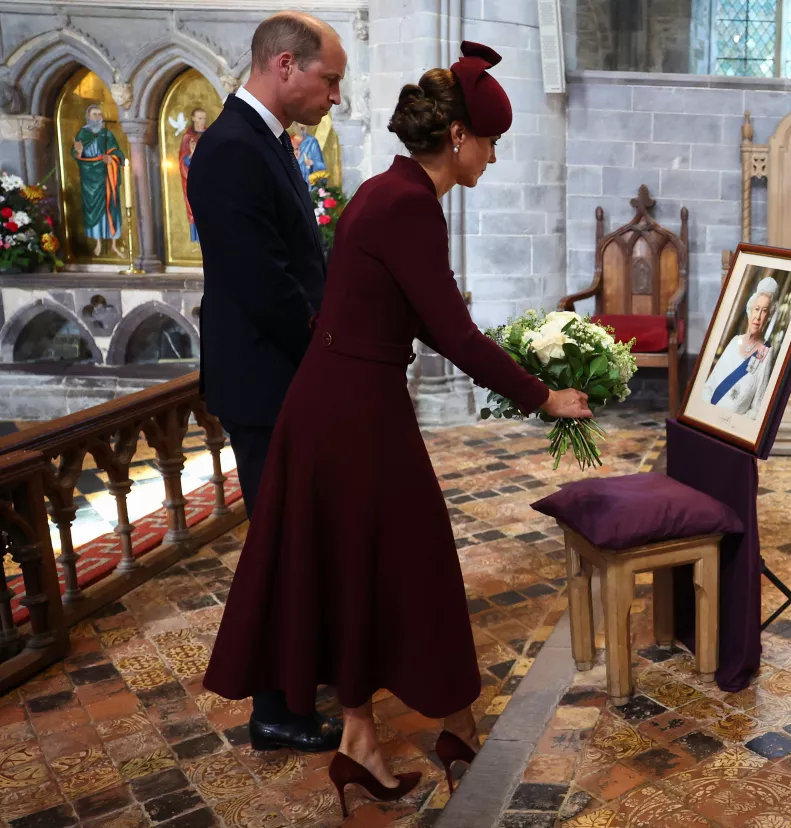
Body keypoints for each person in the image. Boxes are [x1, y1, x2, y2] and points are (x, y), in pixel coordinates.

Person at [201, 41, 591, 816]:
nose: (493, 158)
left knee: (361, 565)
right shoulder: (408, 205)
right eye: (490, 143)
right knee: (421, 564)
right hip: (354, 411)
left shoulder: (388, 191)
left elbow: (417, 316)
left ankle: (361, 742)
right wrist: (542, 395)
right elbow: (452, 331)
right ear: (458, 137)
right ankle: (457, 731)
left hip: (344, 401)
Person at [188, 11, 347, 754]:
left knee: (300, 538)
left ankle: (301, 675)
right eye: (329, 79)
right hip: (266, 383)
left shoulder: (266, 140)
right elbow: (266, 286)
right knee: (280, 546)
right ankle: (276, 708)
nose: (334, 96)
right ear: (285, 65)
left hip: (282, 378)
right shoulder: (229, 148)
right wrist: (332, 354)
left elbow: (297, 263)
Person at [702, 275, 779, 419]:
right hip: (709, 415)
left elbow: (757, 409)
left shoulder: (766, 353)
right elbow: (709, 386)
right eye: (756, 309)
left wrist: (734, 424)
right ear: (750, 311)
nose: (758, 316)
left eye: (764, 311)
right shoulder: (735, 342)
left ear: (769, 316)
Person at [72, 104, 125, 258]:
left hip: (107, 177)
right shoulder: (82, 134)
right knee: (94, 210)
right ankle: (98, 243)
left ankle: (114, 244)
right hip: (90, 179)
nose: (98, 117)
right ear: (88, 117)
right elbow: (76, 154)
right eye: (94, 114)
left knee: (111, 207)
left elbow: (118, 153)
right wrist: (79, 151)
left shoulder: (106, 134)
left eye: (99, 114)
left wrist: (112, 159)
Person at [178, 107, 207, 242]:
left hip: (209, 181)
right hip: (193, 181)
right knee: (195, 209)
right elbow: (183, 161)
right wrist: (191, 155)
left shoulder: (210, 135)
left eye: (204, 119)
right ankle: (198, 241)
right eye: (200, 118)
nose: (202, 121)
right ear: (193, 118)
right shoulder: (188, 138)